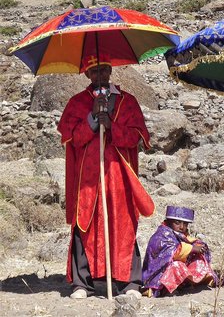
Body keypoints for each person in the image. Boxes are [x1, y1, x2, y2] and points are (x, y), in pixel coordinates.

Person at [57, 53, 155, 299]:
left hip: (118, 174)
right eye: (94, 71)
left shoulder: (127, 102)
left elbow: (137, 137)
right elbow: (71, 139)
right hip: (87, 177)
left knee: (123, 222)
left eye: (103, 70)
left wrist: (112, 125)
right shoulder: (77, 103)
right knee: (85, 221)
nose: (99, 75)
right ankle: (82, 283)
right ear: (87, 74)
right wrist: (92, 121)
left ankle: (130, 282)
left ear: (110, 70)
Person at [142, 206, 218, 297]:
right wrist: (191, 249)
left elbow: (189, 241)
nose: (182, 227)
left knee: (199, 261)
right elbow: (171, 252)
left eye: (185, 224)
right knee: (177, 266)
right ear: (168, 221)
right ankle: (166, 290)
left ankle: (188, 283)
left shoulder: (179, 234)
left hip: (177, 269)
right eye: (177, 223)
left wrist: (198, 247)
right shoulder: (162, 235)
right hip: (159, 276)